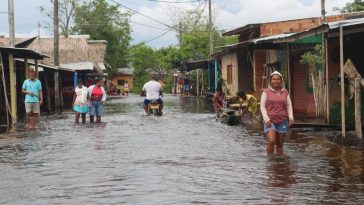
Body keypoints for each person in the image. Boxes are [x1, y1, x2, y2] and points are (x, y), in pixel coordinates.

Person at [260, 71, 294, 156]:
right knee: (271, 141)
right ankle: (270, 160)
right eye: (274, 79)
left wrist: (291, 117)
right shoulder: (266, 92)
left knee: (280, 143)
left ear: (281, 80)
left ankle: (279, 163)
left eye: (278, 79)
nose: (276, 81)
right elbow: (262, 106)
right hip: (270, 121)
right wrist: (266, 119)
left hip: (282, 120)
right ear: (270, 81)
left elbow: (289, 105)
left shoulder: (285, 92)